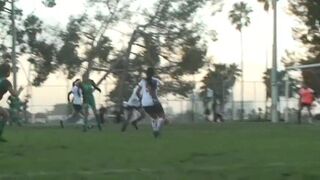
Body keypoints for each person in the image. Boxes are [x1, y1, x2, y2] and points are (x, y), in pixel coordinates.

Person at [136, 67, 166, 138]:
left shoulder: (142, 81)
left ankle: (154, 129)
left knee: (154, 117)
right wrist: (156, 99)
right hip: (153, 101)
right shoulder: (155, 81)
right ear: (153, 73)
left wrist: (141, 99)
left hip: (145, 103)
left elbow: (137, 92)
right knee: (162, 117)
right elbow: (153, 92)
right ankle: (157, 130)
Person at [0, 63, 23, 142]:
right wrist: (20, 89)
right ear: (7, 72)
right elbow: (15, 94)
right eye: (9, 71)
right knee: (5, 115)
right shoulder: (6, 82)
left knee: (5, 114)